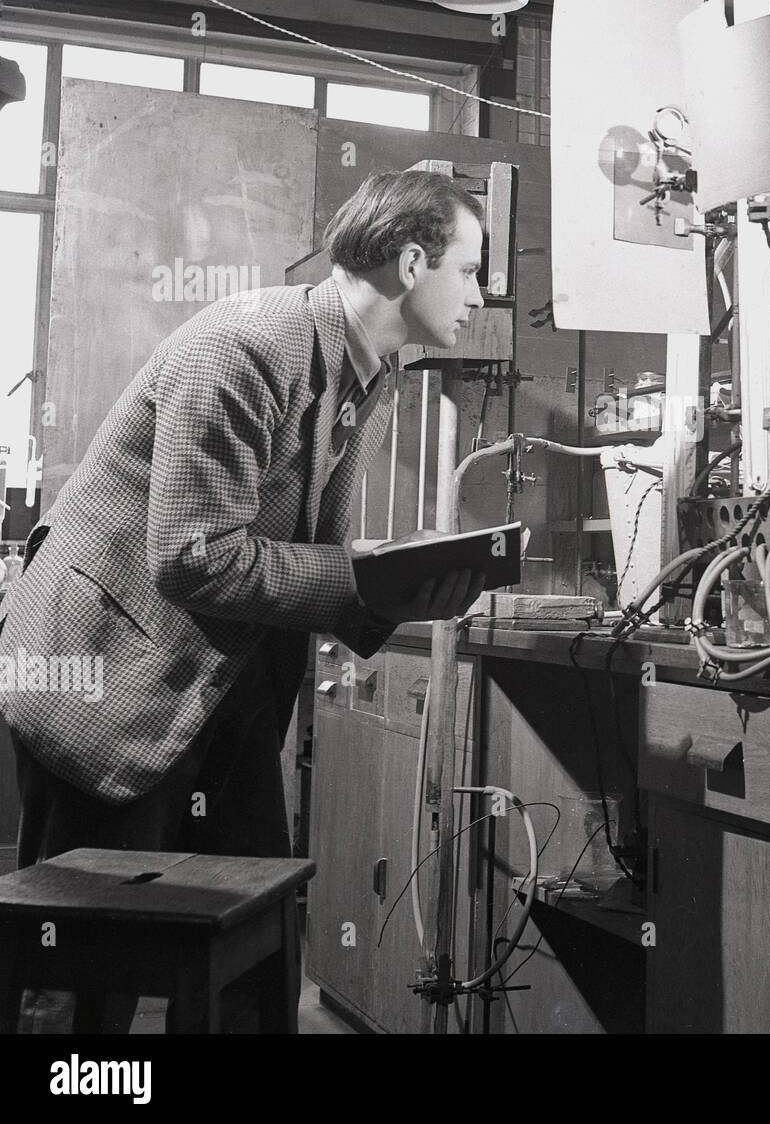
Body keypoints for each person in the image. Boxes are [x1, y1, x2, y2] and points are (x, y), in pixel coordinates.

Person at [0, 169, 488, 1031]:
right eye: (471, 269)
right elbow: (191, 557)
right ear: (413, 263)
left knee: (257, 940)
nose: (479, 297)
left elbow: (305, 556)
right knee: (82, 976)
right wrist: (364, 576)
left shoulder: (373, 374)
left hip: (223, 680)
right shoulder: (247, 348)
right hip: (106, 679)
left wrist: (397, 588)